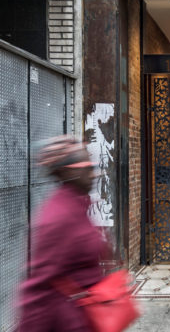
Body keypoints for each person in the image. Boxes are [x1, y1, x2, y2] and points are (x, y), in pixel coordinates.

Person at [17, 136, 109, 331]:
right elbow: (37, 289)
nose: (95, 174)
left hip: (87, 317)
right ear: (69, 172)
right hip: (70, 322)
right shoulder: (57, 217)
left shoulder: (76, 206)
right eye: (88, 168)